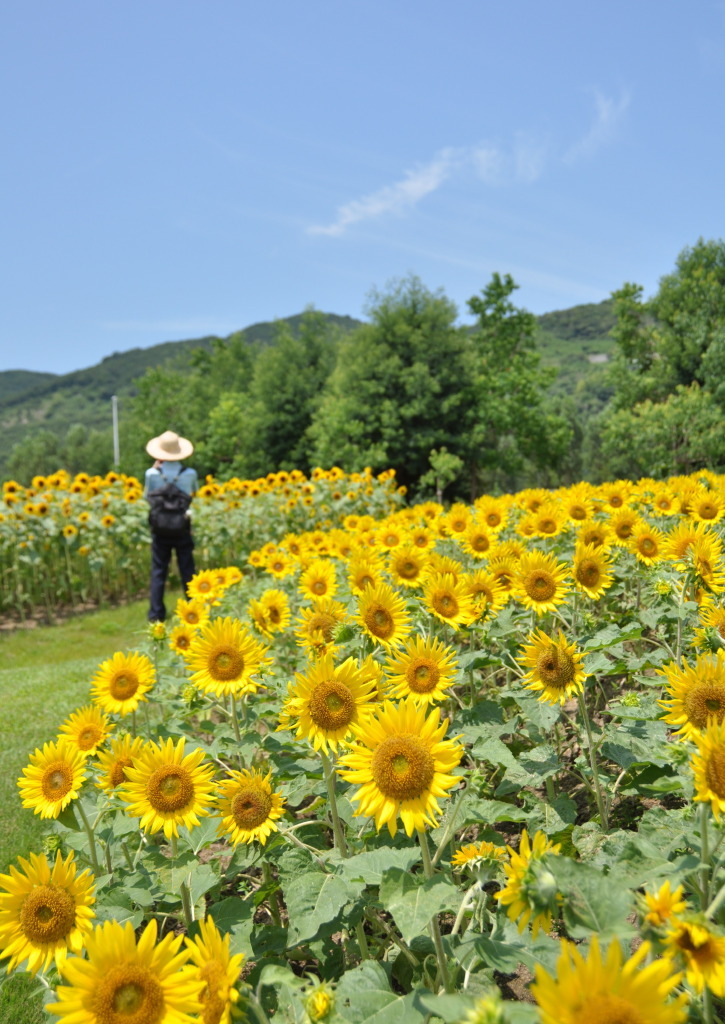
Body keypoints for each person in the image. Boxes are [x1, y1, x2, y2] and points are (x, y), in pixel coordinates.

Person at [143, 430, 199, 622]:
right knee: (187, 568)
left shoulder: (151, 473)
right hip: (182, 526)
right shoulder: (189, 473)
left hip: (160, 528)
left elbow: (147, 497)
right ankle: (194, 608)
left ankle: (156, 614)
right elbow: (194, 494)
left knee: (159, 570)